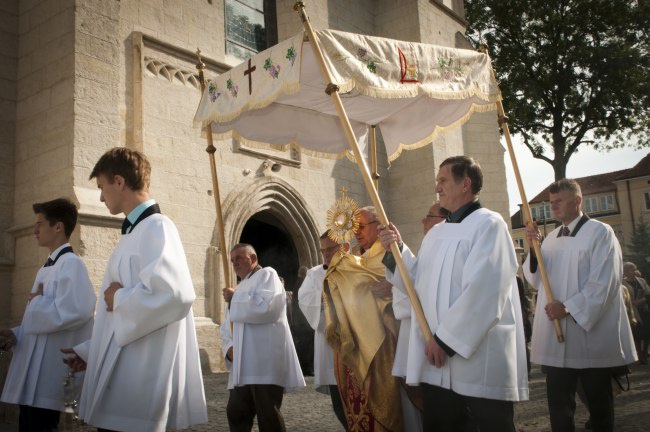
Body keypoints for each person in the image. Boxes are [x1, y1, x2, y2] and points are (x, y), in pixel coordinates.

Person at [62, 147, 208, 431]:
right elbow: (121, 314)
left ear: (119, 182)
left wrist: (117, 297)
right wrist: (92, 353)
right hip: (125, 372)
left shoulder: (158, 227)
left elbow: (175, 295)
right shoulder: (136, 232)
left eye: (102, 187)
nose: (101, 196)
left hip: (141, 382)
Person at [379, 155, 528, 431]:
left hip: (474, 363)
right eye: (437, 181)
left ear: (465, 184)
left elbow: (485, 292)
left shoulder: (490, 225)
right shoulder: (437, 234)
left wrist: (445, 341)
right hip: (437, 365)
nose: (437, 187)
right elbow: (417, 283)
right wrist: (395, 252)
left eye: (443, 180)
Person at [523, 178, 636, 432]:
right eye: (551, 203)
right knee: (560, 409)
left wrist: (569, 307)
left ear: (577, 201)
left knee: (599, 407)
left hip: (589, 338)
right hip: (557, 339)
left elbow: (605, 282)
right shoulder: (550, 239)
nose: (553, 207)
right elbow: (536, 279)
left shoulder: (600, 233)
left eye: (558, 201)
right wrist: (533, 249)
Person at [0, 198, 96, 432]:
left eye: (40, 224)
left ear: (58, 226)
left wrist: (39, 303)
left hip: (48, 372)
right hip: (32, 371)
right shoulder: (46, 267)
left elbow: (77, 311)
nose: (34, 230)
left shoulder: (72, 264)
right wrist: (16, 334)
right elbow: (39, 321)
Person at [324, 206, 418, 431]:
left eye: (362, 226)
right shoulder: (353, 258)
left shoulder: (394, 251)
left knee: (394, 402)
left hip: (386, 344)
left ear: (379, 225)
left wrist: (394, 288)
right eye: (354, 227)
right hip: (357, 343)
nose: (357, 231)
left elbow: (416, 283)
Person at [220, 243, 305, 432]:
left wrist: (236, 298)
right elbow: (227, 326)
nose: (235, 263)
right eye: (232, 260)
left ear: (253, 258)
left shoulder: (267, 275)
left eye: (239, 258)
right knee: (236, 411)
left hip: (263, 362)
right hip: (241, 364)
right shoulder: (239, 287)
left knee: (268, 416)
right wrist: (228, 348)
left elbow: (268, 308)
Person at [297, 231, 349, 430]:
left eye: (331, 249)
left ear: (344, 247)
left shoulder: (356, 267)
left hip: (358, 345)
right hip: (331, 345)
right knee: (339, 404)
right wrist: (326, 296)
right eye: (323, 250)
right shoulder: (314, 273)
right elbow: (305, 301)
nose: (326, 254)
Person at [622, 262, 650, 364]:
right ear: (626, 272)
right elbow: (623, 296)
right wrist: (632, 302)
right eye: (631, 270)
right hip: (633, 312)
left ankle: (645, 352)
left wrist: (642, 300)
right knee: (637, 334)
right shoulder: (623, 283)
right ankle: (640, 355)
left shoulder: (641, 281)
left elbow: (648, 292)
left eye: (635, 269)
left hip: (644, 309)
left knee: (647, 333)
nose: (634, 271)